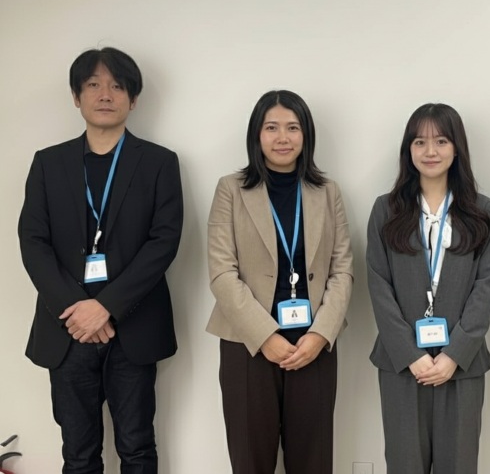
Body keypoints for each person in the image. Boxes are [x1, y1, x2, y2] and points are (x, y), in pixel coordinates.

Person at [18, 47, 184, 473]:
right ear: (77, 97)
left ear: (133, 99)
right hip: (67, 329)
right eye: (93, 85)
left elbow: (163, 242)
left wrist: (106, 306)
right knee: (78, 454)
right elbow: (33, 241)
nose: (105, 94)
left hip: (134, 327)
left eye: (117, 86)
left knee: (137, 448)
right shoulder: (48, 163)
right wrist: (77, 310)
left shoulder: (159, 163)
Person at [206, 90, 353, 474]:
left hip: (313, 344)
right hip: (248, 345)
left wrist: (320, 334)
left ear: (306, 135)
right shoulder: (230, 189)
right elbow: (222, 272)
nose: (282, 138)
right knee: (251, 460)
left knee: (313, 461)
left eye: (293, 127)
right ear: (257, 134)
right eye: (271, 128)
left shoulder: (327, 191)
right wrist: (265, 336)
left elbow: (342, 270)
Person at [367, 103, 490, 474]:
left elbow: (486, 286)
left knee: (458, 464)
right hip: (401, 364)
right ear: (408, 149)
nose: (430, 151)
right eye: (420, 142)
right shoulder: (386, 209)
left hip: (462, 363)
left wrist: (454, 354)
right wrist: (411, 354)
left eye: (441, 141)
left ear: (457, 148)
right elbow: (378, 284)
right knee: (404, 463)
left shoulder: (481, 210)